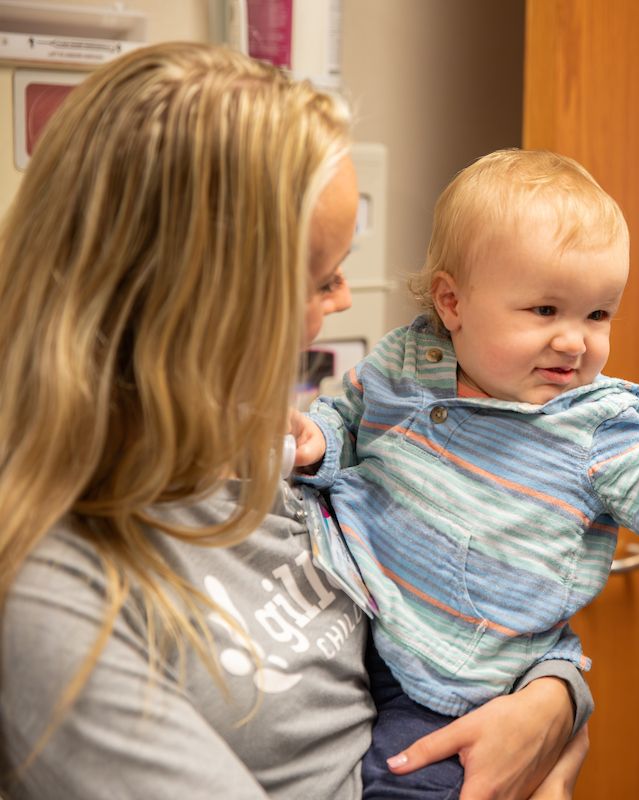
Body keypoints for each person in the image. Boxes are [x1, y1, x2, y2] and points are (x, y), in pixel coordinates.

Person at [0, 41, 588, 800]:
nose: (343, 300)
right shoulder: (49, 595)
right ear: (205, 301)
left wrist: (555, 697)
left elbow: (450, 594)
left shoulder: (269, 446)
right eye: (321, 277)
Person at [291, 148, 639, 796]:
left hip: (468, 680)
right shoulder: (407, 358)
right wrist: (314, 443)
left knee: (402, 783)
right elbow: (348, 418)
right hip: (361, 628)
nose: (575, 341)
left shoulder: (597, 423)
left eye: (598, 314)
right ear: (453, 302)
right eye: (545, 312)